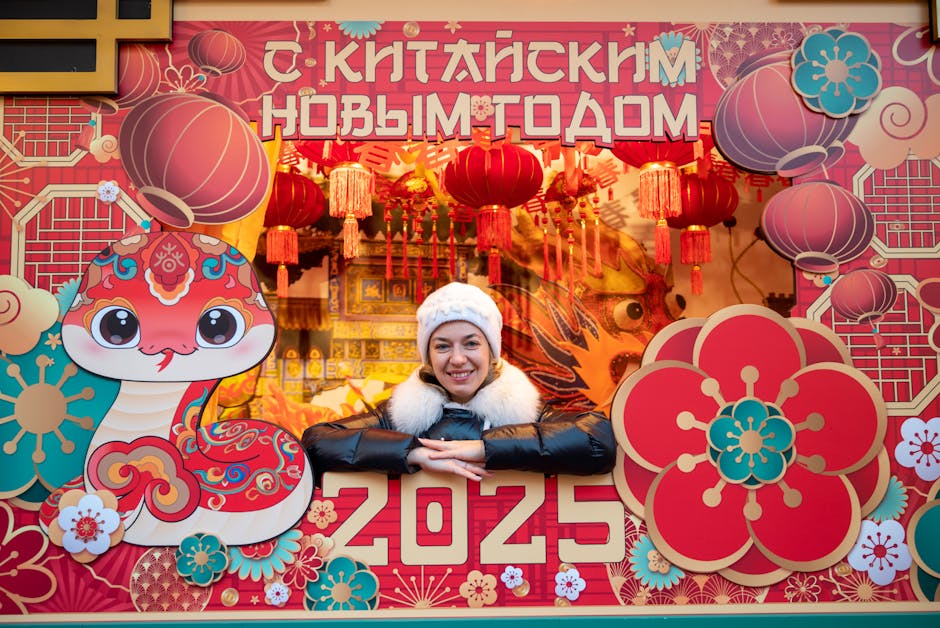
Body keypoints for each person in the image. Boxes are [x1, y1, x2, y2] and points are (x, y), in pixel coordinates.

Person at [302, 281, 616, 483]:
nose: (457, 359)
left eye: (470, 344)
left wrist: (486, 448)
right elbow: (315, 443)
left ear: (492, 350)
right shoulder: (398, 418)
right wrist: (410, 452)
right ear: (427, 356)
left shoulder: (526, 413)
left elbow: (597, 439)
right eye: (442, 346)